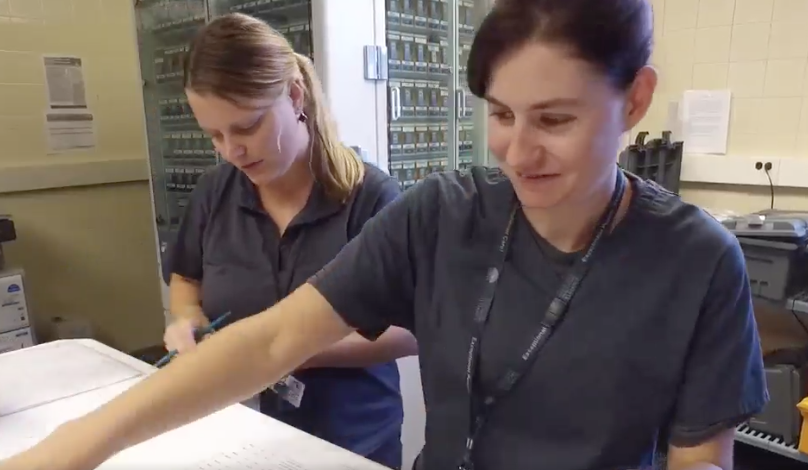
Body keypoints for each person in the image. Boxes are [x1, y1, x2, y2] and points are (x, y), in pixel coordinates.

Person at [0, 1, 767, 470]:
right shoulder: (443, 215)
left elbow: (701, 455)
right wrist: (77, 446)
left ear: (635, 99)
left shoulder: (696, 261)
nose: (518, 151)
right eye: (501, 115)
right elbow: (272, 340)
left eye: (556, 119)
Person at [157, 13, 414, 469]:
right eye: (214, 135)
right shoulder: (215, 192)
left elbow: (410, 331)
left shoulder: (372, 198)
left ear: (295, 96)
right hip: (239, 433)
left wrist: (282, 352)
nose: (231, 151)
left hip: (351, 442)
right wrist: (187, 320)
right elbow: (185, 278)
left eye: (246, 127)